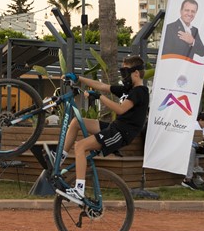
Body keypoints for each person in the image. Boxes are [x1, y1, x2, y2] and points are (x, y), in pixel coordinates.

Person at [57, 55, 149, 204]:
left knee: (80, 146)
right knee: (76, 122)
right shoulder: (129, 89)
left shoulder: (140, 92)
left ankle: (79, 190)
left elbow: (120, 109)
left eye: (126, 73)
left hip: (120, 133)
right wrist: (78, 78)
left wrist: (99, 97)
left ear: (136, 73)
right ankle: (59, 159)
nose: (123, 77)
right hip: (115, 127)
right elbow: (102, 86)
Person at [182, 112, 204, 190]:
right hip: (190, 146)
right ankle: (190, 178)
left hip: (198, 146)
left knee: (198, 150)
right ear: (200, 120)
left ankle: (195, 174)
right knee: (193, 151)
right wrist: (202, 137)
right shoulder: (194, 124)